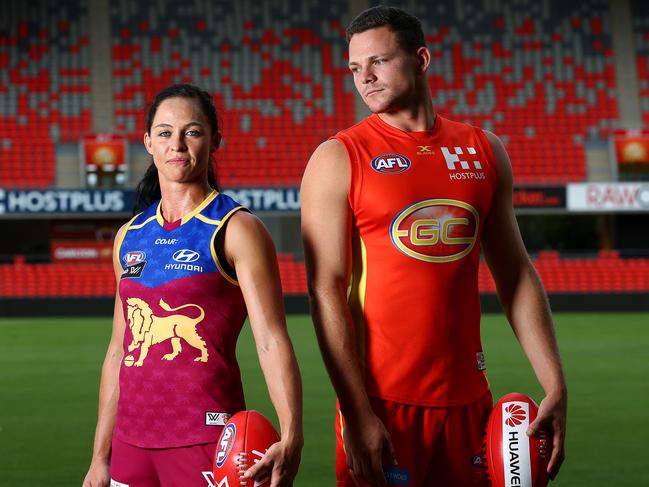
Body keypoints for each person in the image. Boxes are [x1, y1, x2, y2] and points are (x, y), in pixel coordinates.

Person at [301, 6, 567, 487]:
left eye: (378, 62)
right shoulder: (338, 156)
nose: (365, 79)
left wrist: (555, 382)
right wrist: (357, 413)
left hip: (469, 403)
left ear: (421, 58)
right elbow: (326, 291)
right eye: (355, 69)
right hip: (382, 408)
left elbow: (515, 274)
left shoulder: (484, 149)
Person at [83, 84, 303, 487]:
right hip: (130, 447)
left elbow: (271, 339)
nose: (177, 144)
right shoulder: (129, 236)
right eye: (165, 133)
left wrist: (292, 434)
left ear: (215, 139)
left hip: (207, 440)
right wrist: (100, 457)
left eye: (193, 131)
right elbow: (119, 352)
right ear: (148, 142)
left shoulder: (237, 229)